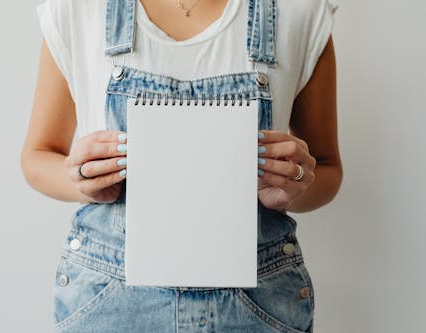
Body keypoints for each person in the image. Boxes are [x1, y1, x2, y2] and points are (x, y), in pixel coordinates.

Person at [20, 0, 342, 332]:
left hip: (257, 305)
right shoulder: (78, 8)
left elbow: (328, 170)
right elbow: (37, 155)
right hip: (108, 302)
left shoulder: (299, 11)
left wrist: (292, 189)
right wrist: (79, 180)